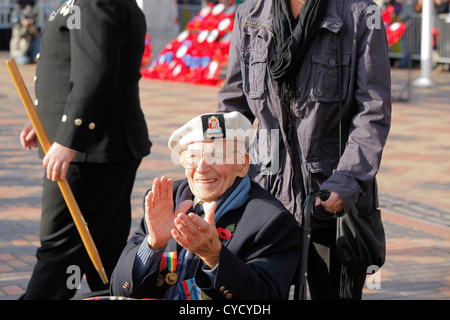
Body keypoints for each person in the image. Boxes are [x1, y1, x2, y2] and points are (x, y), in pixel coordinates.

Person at [217, 0, 392, 299]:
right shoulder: (250, 14)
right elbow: (234, 107)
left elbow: (372, 113)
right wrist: (218, 165)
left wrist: (346, 181)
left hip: (330, 197)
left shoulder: (362, 14)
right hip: (266, 197)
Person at [19, 0, 151, 299]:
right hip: (98, 146)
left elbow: (96, 71)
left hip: (90, 149)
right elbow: (70, 69)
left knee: (60, 249)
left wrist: (69, 139)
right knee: (103, 251)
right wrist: (45, 122)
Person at [110, 111, 301, 300]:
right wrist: (152, 245)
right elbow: (118, 290)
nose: (201, 168)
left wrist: (215, 256)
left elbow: (265, 299)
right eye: (192, 156)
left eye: (216, 156)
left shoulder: (269, 220)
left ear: (243, 165)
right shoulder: (166, 199)